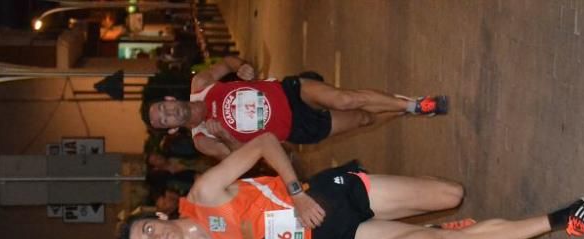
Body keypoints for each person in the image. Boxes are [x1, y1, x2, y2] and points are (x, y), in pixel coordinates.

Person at [120, 133, 584, 239]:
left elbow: (266, 145)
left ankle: (440, 226)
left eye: (147, 230)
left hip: (325, 200)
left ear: (152, 218)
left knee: (449, 194)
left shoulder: (204, 191)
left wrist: (294, 193)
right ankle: (565, 218)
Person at [145, 55, 446, 160]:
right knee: (364, 118)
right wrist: (223, 136)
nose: (169, 114)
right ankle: (396, 106)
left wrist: (244, 67)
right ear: (171, 128)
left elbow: (227, 64)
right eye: (164, 120)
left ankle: (413, 105)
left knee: (345, 99)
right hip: (296, 129)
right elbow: (243, 158)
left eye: (164, 108)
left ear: (169, 100)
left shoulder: (200, 86)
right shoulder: (201, 140)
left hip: (288, 93)